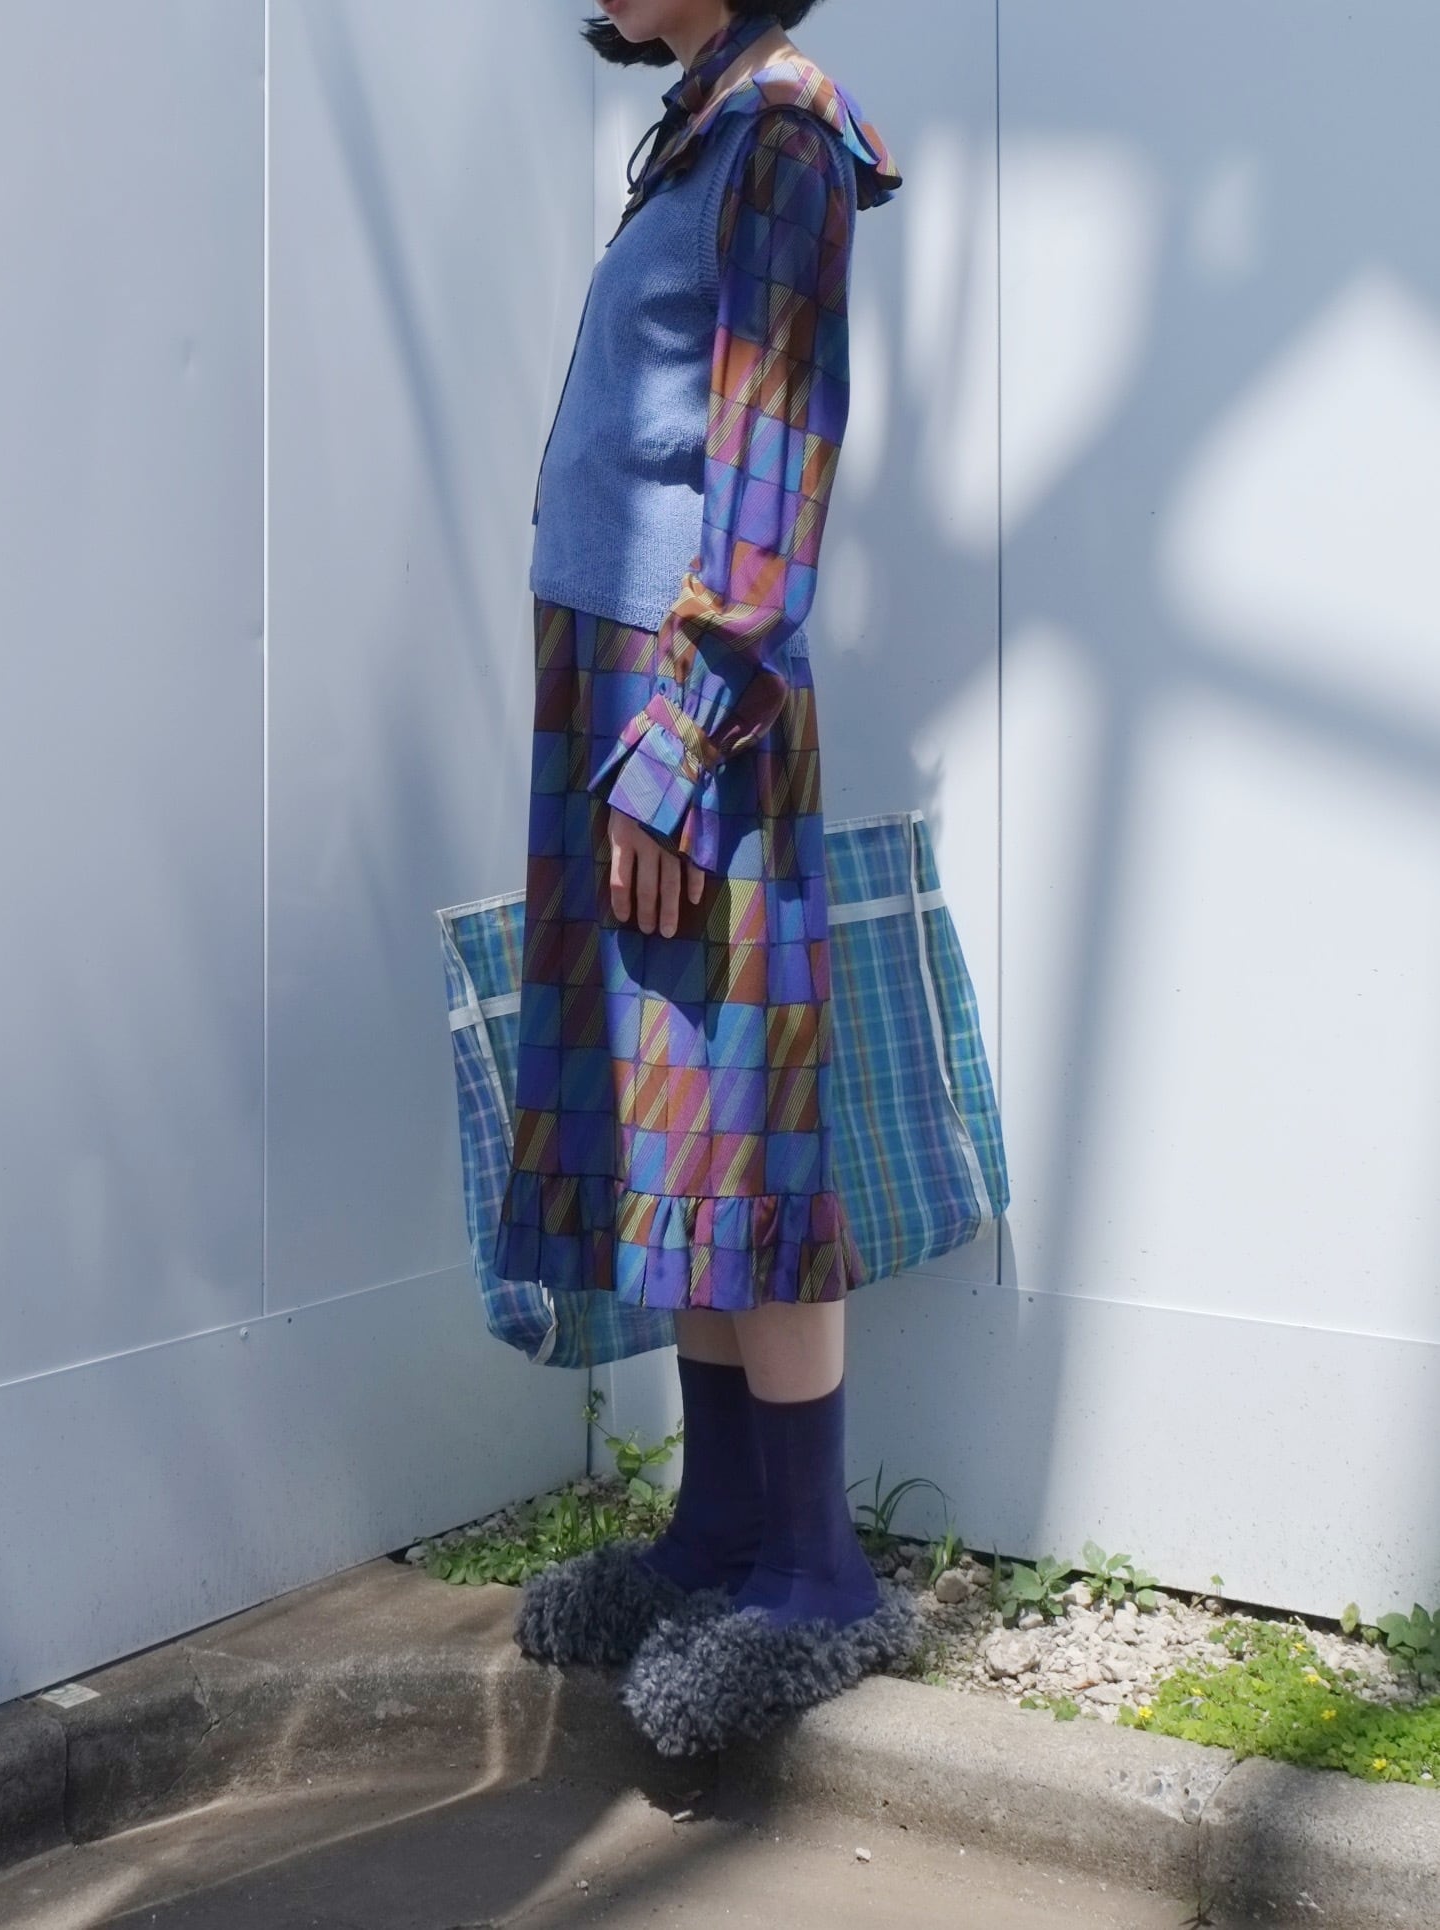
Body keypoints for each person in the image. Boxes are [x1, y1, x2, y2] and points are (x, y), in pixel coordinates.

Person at [497, 0, 920, 1752]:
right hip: (614, 682)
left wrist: (674, 756)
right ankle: (720, 1527)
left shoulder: (784, 131)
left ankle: (817, 1568)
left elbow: (771, 468)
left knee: (737, 1124)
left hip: (692, 705)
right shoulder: (702, 119)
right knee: (666, 1123)